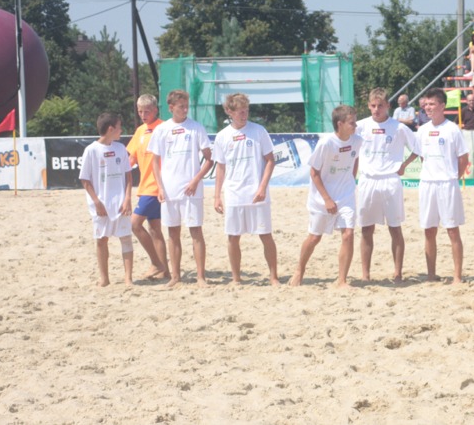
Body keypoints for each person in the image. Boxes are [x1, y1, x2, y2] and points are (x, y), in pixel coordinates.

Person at [290, 105, 363, 287]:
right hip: (322, 198)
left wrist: (350, 181)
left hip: (346, 195)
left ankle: (342, 280)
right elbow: (314, 173)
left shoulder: (357, 140)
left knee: (348, 235)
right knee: (315, 237)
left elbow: (355, 160)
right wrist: (327, 199)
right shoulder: (326, 143)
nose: (355, 126)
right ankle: (299, 270)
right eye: (352, 123)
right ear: (340, 124)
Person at [148, 90, 213, 288]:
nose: (185, 110)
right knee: (173, 233)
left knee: (196, 232)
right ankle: (175, 276)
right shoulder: (161, 129)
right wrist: (160, 187)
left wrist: (195, 180)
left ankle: (200, 276)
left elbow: (209, 159)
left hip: (192, 190)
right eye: (181, 106)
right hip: (169, 190)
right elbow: (155, 161)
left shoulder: (196, 128)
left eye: (186, 106)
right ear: (171, 108)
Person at [212, 93, 279, 285]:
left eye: (246, 111)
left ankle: (273, 277)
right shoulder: (222, 136)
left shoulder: (258, 131)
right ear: (229, 111)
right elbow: (221, 167)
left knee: (265, 235)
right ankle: (236, 278)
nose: (244, 115)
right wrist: (217, 196)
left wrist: (262, 187)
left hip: (257, 194)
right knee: (233, 237)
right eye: (240, 112)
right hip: (234, 193)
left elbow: (270, 161)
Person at [356, 88, 420, 282]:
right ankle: (365, 274)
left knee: (395, 228)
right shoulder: (360, 126)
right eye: (373, 106)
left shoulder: (399, 127)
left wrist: (404, 165)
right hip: (368, 180)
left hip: (391, 181)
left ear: (388, 106)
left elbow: (418, 148)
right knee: (366, 229)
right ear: (368, 106)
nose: (376, 109)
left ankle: (398, 272)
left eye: (380, 106)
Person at [417, 88, 469, 284]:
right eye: (426, 104)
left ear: (442, 106)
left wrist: (453, 176)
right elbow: (422, 157)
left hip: (447, 184)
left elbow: (463, 158)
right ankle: (431, 274)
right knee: (429, 230)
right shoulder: (422, 130)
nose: (428, 107)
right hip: (427, 184)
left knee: (452, 230)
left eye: (432, 104)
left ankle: (457, 276)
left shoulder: (452, 129)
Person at [79, 112, 134, 287]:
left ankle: (128, 278)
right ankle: (104, 278)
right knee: (102, 240)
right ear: (111, 129)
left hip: (120, 203)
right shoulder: (91, 150)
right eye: (119, 127)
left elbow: (128, 175)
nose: (121, 130)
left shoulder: (120, 148)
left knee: (125, 238)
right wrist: (96, 202)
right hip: (101, 204)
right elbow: (85, 179)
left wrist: (127, 198)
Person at [126, 94, 168, 280]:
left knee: (134, 224)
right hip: (145, 185)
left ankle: (156, 263)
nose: (143, 115)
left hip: (156, 186)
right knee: (155, 229)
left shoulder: (164, 128)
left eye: (147, 111)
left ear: (156, 110)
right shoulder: (140, 131)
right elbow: (131, 158)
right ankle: (165, 271)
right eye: (140, 111)